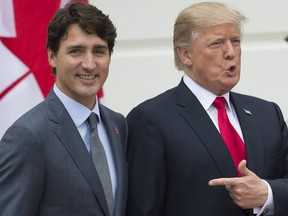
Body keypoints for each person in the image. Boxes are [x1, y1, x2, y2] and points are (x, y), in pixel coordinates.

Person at [125, 2, 288, 216]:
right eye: (217, 43)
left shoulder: (268, 113)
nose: (231, 52)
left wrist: (267, 193)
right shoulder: (151, 120)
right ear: (186, 55)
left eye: (236, 41)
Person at [0, 2, 127, 216]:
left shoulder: (118, 125)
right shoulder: (28, 136)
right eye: (76, 51)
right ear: (52, 56)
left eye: (99, 51)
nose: (89, 64)